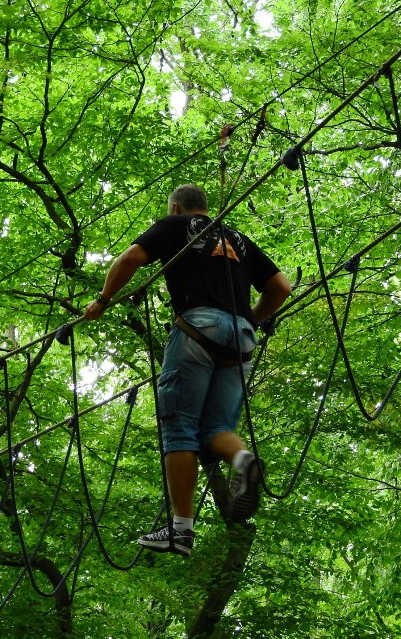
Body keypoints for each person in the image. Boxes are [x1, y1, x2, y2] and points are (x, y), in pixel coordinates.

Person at [83, 184, 291, 557]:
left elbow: (129, 259)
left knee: (179, 427)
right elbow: (280, 287)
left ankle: (181, 531)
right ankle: (243, 460)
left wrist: (102, 300)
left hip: (198, 327)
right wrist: (250, 322)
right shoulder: (237, 238)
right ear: (205, 207)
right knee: (217, 430)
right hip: (240, 339)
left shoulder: (175, 226)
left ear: (177, 207)